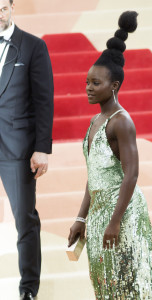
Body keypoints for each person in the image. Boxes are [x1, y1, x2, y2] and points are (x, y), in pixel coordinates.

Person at [68, 11, 152, 300]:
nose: (88, 88)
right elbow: (94, 174)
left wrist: (115, 221)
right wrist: (81, 218)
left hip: (123, 215)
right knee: (105, 285)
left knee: (132, 284)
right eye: (87, 82)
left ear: (114, 86)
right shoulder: (94, 123)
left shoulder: (122, 122)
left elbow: (131, 174)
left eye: (96, 83)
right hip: (98, 216)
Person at [0, 0, 53, 299]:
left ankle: (29, 289)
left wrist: (42, 148)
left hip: (17, 148)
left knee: (24, 220)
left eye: (2, 8)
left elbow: (44, 100)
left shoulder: (33, 46)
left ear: (12, 7)